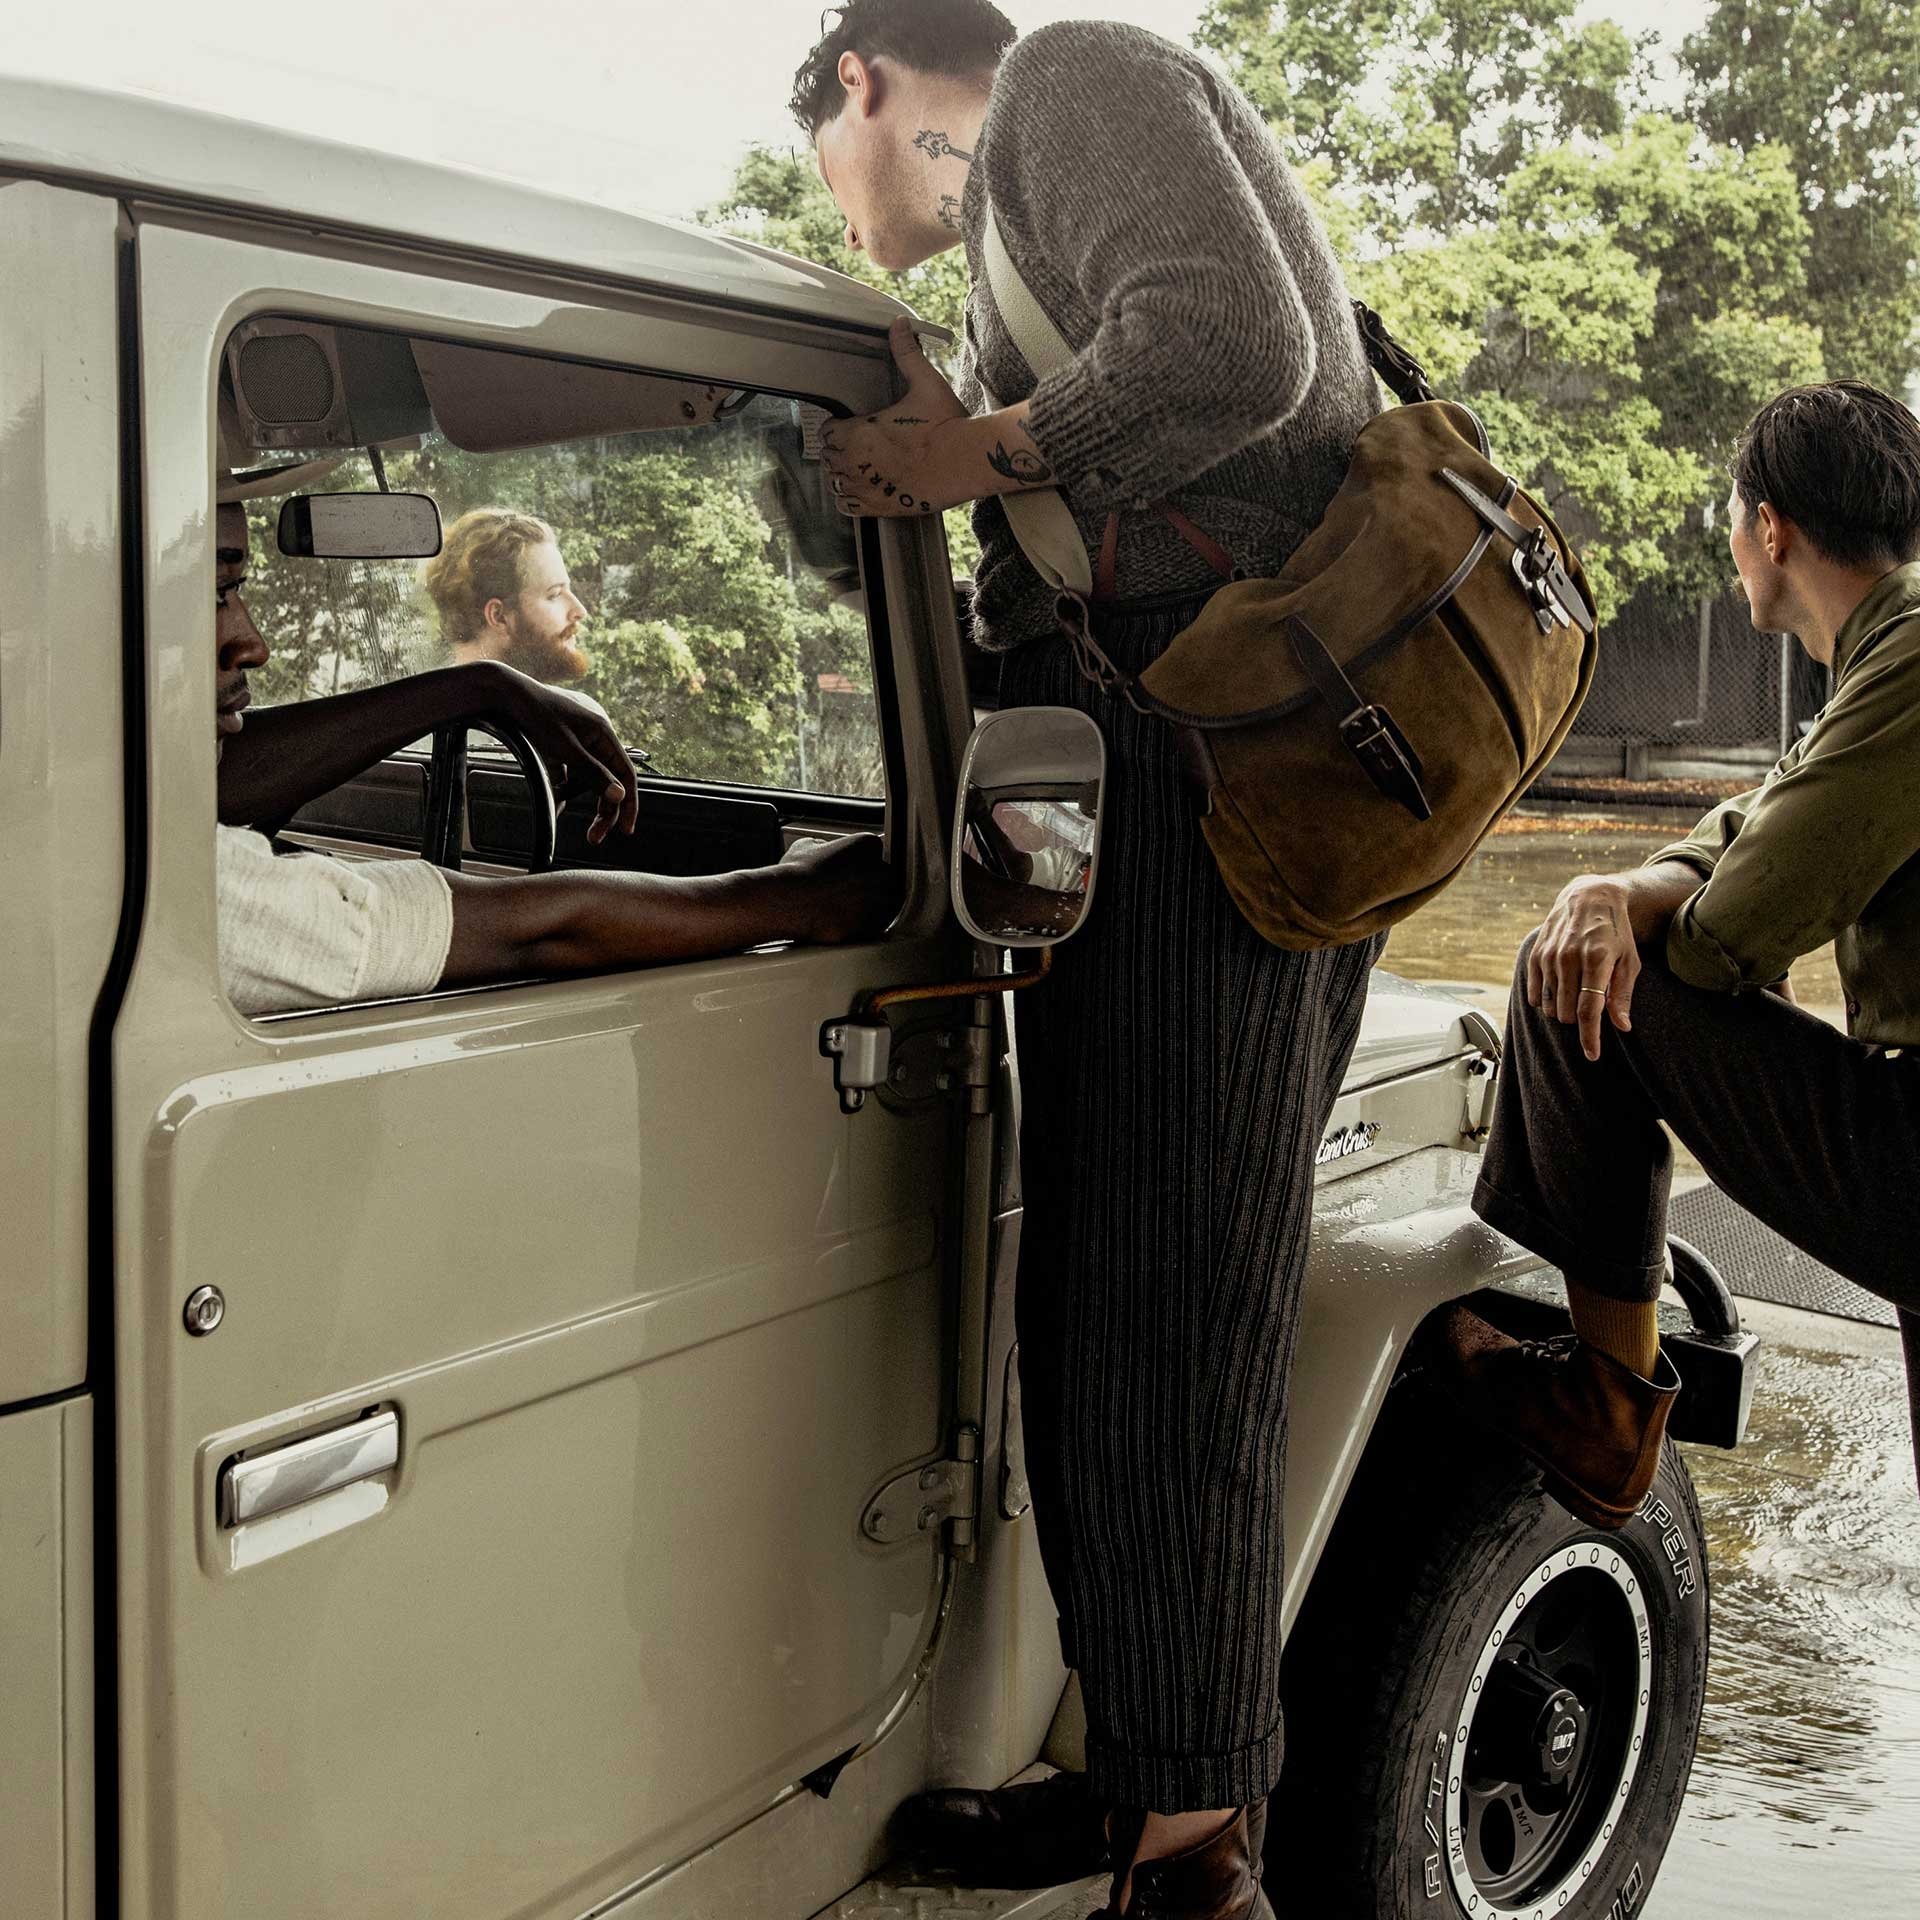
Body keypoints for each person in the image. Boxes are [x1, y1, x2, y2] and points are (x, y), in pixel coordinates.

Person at [794, 6, 1383, 1913]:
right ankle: (1156, 1783)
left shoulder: (1073, 82)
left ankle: (1201, 1858)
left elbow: (1234, 345)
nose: (838, 192)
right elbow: (1073, 524)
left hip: (1215, 793)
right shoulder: (1009, 248)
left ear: (860, 85)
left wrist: (971, 447)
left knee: (1174, 1313)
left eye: (819, 147)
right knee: (1112, 1313)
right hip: (1164, 789)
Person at [1427, 380, 1920, 1527]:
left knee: (1575, 975)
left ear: (1770, 529)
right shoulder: (1886, 655)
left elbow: (1725, 944)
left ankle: (1604, 1402)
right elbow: (1775, 811)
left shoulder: (1912, 661)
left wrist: (1620, 910)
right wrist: (1634, 880)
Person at [213, 500, 890, 1015]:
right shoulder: (206, 898)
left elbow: (213, 783)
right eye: (214, 592)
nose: (252, 643)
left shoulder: (138, 817)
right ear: (498, 614)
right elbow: (535, 934)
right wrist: (797, 896)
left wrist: (482, 688)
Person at [422, 507, 591, 683]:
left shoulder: (422, 703)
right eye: (554, 595)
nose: (580, 610)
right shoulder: (561, 710)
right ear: (499, 616)